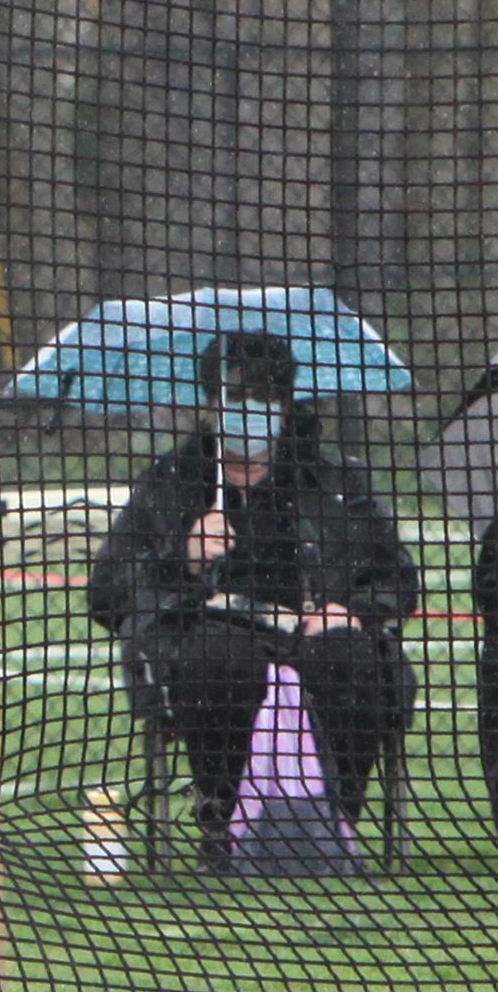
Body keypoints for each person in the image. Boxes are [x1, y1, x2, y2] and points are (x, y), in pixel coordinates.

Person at [87, 332, 418, 873]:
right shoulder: (171, 481)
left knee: (352, 660)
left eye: (267, 398)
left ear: (288, 404)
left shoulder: (339, 478)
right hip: (210, 636)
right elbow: (107, 592)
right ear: (210, 404)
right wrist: (183, 559)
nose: (251, 412)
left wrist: (351, 612)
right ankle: (222, 821)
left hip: (317, 633)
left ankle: (330, 823)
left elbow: (399, 578)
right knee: (217, 659)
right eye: (236, 398)